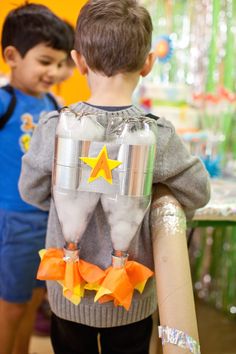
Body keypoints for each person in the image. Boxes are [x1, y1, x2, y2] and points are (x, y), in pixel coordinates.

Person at [19, 1, 210, 353]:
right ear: (148, 63)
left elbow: (29, 189)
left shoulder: (53, 127)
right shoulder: (158, 135)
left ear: (78, 62)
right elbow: (198, 192)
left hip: (68, 294)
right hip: (130, 301)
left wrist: (64, 197)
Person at [0, 4, 74, 354]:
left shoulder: (53, 103)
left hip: (47, 222)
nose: (55, 71)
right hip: (12, 221)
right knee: (11, 306)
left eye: (60, 63)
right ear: (12, 56)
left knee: (31, 302)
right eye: (45, 61)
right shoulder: (4, 101)